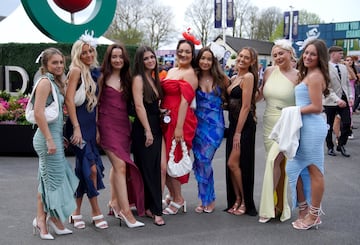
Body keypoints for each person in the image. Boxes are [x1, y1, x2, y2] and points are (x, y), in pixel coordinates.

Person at [32, 48, 78, 240]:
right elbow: (38, 113)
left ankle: (53, 220)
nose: (59, 66)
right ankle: (42, 220)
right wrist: (51, 139)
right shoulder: (44, 82)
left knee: (52, 180)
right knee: (50, 182)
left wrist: (59, 137)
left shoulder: (54, 82)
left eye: (61, 62)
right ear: (46, 65)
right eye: (54, 63)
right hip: (46, 140)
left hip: (55, 138)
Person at [97, 43, 145, 228]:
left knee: (117, 167)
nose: (117, 60)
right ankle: (126, 213)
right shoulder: (101, 78)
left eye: (120, 56)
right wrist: (97, 129)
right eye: (114, 57)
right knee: (120, 165)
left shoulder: (128, 79)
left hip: (124, 127)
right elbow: (95, 105)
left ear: (125, 59)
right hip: (106, 126)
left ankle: (115, 204)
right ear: (109, 59)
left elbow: (138, 103)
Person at [65, 34, 108, 229]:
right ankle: (96, 211)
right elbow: (69, 100)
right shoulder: (75, 71)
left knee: (83, 169)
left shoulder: (96, 72)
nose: (89, 54)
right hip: (77, 128)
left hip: (91, 128)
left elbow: (96, 104)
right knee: (91, 169)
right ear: (78, 54)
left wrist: (97, 127)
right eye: (84, 52)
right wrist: (76, 128)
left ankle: (75, 212)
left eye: (91, 51)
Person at [286, 38, 329, 230]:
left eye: (313, 54)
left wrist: (293, 111)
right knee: (295, 169)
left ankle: (313, 215)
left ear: (320, 57)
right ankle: (304, 210)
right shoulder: (308, 74)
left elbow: (317, 107)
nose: (308, 56)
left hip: (311, 127)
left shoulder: (315, 76)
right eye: (306, 52)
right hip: (302, 126)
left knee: (314, 170)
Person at [257, 40, 298, 223]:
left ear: (290, 53)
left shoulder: (299, 76)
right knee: (277, 166)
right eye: (275, 55)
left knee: (274, 161)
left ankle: (266, 208)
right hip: (268, 123)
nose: (278, 57)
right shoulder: (268, 72)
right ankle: (278, 205)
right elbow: (260, 95)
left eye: (281, 53)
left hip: (287, 124)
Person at [161, 39, 198, 215]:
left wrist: (179, 128)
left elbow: (185, 102)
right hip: (166, 117)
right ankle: (173, 194)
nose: (183, 55)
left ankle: (178, 198)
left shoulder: (190, 74)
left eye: (187, 52)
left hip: (179, 120)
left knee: (172, 157)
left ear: (192, 55)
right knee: (164, 159)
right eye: (180, 51)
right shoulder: (172, 71)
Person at [131, 46, 165, 226]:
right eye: (146, 58)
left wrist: (160, 111)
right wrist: (147, 130)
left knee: (156, 169)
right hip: (144, 129)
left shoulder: (152, 78)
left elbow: (150, 104)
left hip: (155, 126)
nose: (151, 60)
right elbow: (138, 106)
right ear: (140, 61)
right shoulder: (138, 79)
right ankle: (156, 210)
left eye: (152, 57)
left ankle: (151, 207)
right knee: (149, 170)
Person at [192, 47, 227, 213]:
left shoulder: (221, 78)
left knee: (205, 161)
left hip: (215, 127)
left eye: (209, 59)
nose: (205, 62)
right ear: (198, 60)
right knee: (200, 161)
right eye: (202, 58)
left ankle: (209, 199)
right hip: (197, 126)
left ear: (213, 62)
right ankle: (204, 199)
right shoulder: (193, 77)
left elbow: (237, 92)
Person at [225, 47, 258, 216]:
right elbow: (230, 102)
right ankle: (236, 199)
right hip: (233, 125)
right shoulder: (234, 78)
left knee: (234, 163)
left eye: (247, 57)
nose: (242, 59)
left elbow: (246, 107)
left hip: (244, 127)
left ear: (252, 61)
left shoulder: (248, 77)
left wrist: (238, 132)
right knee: (232, 165)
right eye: (240, 56)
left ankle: (245, 201)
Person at [324, 46, 353, 157]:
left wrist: (350, 96)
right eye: (340, 53)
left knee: (346, 123)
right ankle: (330, 147)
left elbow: (346, 84)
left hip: (344, 99)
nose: (342, 56)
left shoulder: (343, 67)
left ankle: (341, 144)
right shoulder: (325, 67)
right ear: (333, 54)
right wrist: (337, 99)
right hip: (330, 101)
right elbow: (327, 88)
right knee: (329, 126)